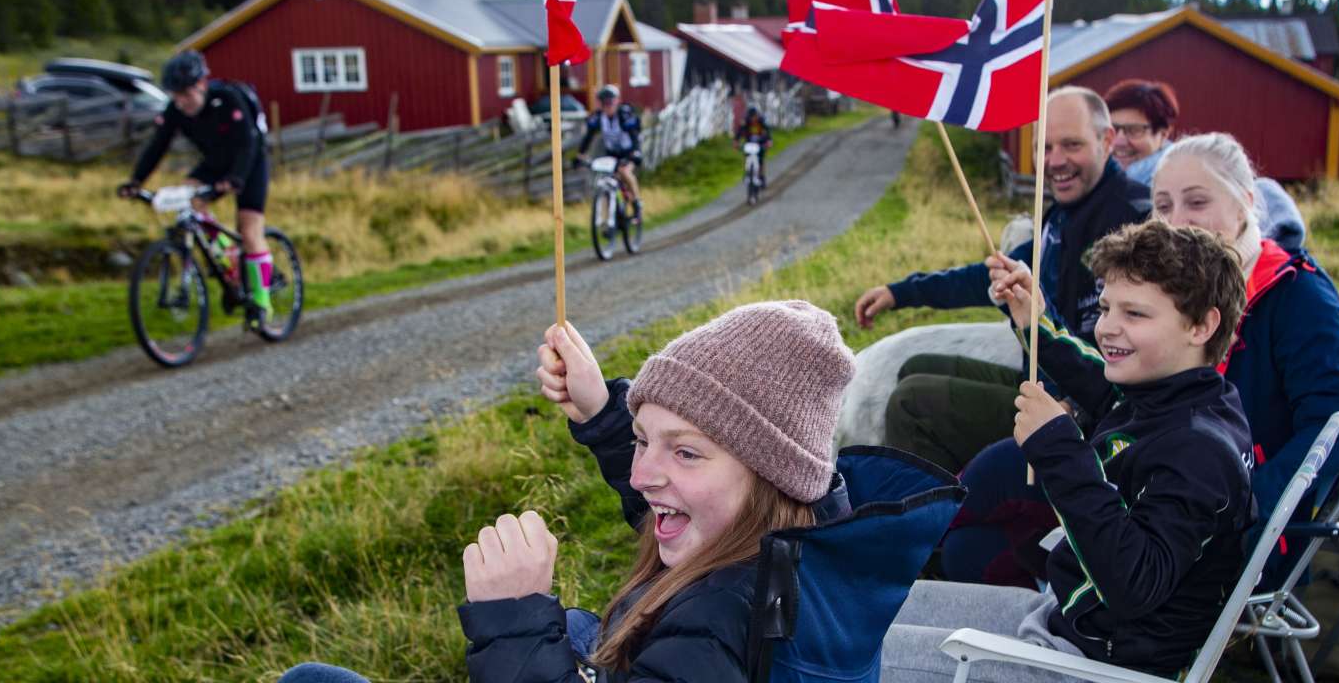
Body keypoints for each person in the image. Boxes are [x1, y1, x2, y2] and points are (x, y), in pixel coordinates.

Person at [279, 301, 858, 682]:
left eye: (684, 451)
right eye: (641, 440)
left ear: (771, 473)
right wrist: (604, 413)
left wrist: (516, 620)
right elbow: (690, 502)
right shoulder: (800, 543)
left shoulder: (717, 627)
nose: (640, 475)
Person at [948, 132, 1339, 589]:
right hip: (1141, 466)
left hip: (1213, 516)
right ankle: (1008, 609)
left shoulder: (1296, 293)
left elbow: (1329, 424)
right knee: (976, 537)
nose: (1177, 221)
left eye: (1196, 202)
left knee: (1001, 475)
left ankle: (902, 552)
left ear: (1244, 202)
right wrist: (1036, 320)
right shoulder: (1169, 288)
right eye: (1162, 206)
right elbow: (1121, 389)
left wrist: (1256, 512)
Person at [882, 219, 1256, 682]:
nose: (1108, 328)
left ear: (1201, 325)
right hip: (1065, 619)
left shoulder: (1201, 452)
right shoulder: (1182, 396)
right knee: (874, 604)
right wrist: (1033, 317)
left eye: (1135, 314)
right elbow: (1098, 381)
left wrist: (1059, 449)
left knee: (844, 646)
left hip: (1092, 665)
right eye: (1104, 307)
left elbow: (1133, 584)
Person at [856, 86, 1150, 472]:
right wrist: (900, 293)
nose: (1055, 161)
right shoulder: (1066, 213)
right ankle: (960, 494)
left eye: (1071, 145)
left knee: (913, 401)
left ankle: (935, 520)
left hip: (1087, 415)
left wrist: (1075, 403)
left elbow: (1133, 346)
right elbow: (998, 275)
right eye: (1044, 148)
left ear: (1106, 140)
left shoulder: (1129, 221)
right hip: (1050, 383)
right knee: (913, 366)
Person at [117, 50, 274, 325]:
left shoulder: (228, 99)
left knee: (249, 230)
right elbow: (157, 146)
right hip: (214, 162)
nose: (181, 102)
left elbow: (248, 144)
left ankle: (262, 303)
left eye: (186, 95)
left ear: (201, 85)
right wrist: (136, 181)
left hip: (249, 162)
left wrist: (235, 178)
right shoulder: (175, 110)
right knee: (187, 202)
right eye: (175, 96)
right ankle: (228, 256)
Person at [1104, 78, 1306, 250]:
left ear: (1163, 133)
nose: (1120, 141)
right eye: (1114, 129)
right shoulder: (1102, 184)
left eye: (1134, 131)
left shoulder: (1189, 170)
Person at [577, 84, 644, 225]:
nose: (607, 106)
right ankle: (609, 220)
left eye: (610, 102)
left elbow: (634, 134)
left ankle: (637, 205)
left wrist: (636, 152)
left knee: (625, 172)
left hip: (629, 152)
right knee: (607, 182)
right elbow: (588, 137)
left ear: (616, 101)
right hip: (612, 154)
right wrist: (580, 155)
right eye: (604, 103)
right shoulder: (598, 117)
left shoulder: (624, 114)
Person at [734, 105, 773, 187]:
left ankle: (761, 177)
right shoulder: (745, 121)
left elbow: (768, 131)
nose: (753, 119)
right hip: (749, 143)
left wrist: (769, 141)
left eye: (754, 117)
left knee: (761, 160)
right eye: (751, 117)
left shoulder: (761, 121)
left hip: (760, 142)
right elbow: (739, 132)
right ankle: (747, 172)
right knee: (746, 156)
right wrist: (736, 141)